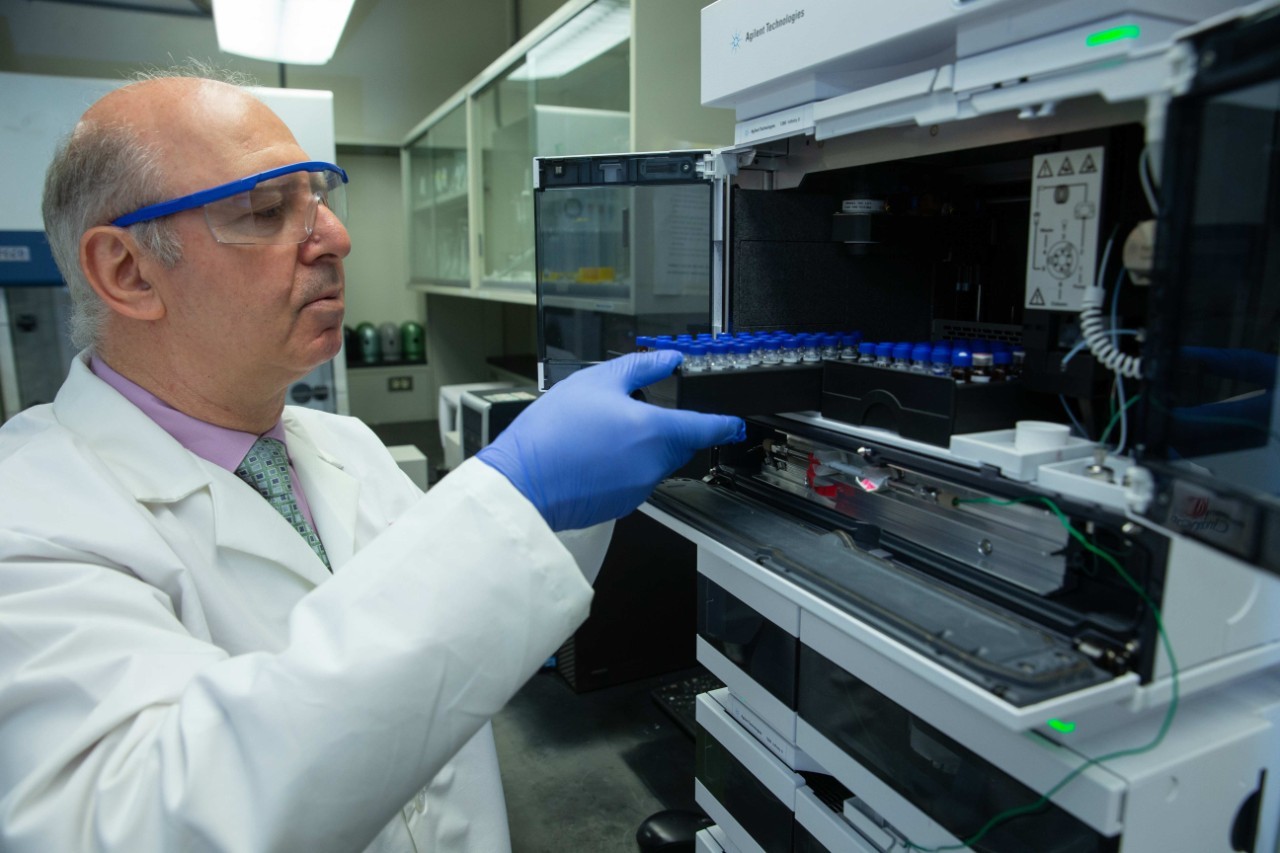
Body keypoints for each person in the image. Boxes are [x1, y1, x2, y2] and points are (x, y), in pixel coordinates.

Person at [0, 68, 744, 853]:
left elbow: (468, 620)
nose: (335, 237)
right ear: (129, 271)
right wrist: (514, 490)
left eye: (320, 197)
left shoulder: (344, 445)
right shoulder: (31, 516)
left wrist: (568, 500)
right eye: (265, 209)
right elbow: (147, 821)